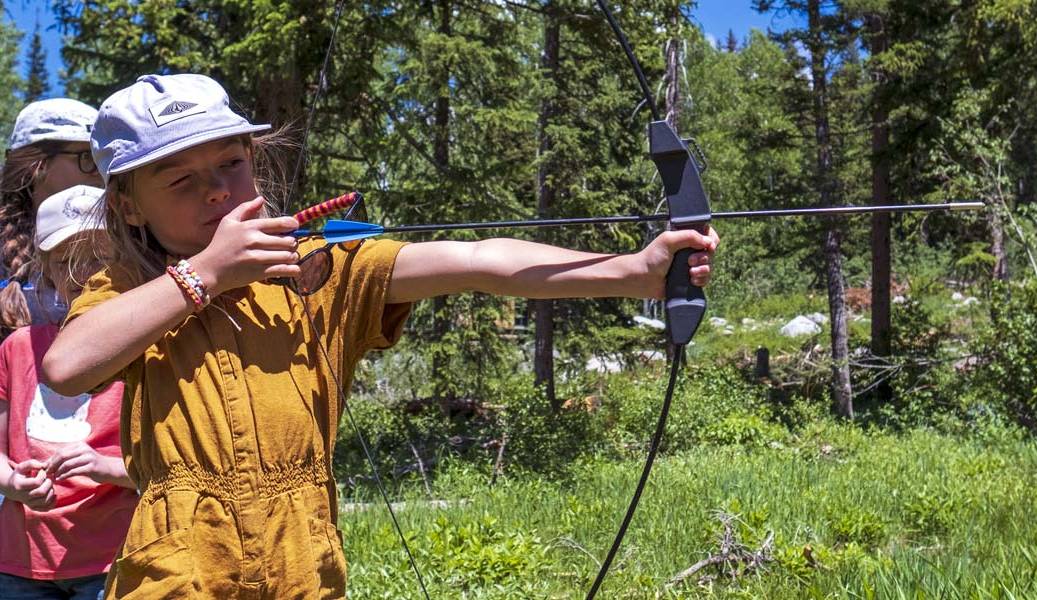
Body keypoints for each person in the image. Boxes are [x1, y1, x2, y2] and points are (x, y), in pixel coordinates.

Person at [42, 73, 719, 598]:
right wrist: (207, 274)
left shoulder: (322, 271)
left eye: (230, 164)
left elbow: (481, 262)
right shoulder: (132, 293)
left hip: (302, 563)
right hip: (180, 571)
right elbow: (68, 366)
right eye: (182, 180)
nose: (217, 192)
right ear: (129, 204)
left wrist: (632, 272)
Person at [0, 185, 138, 600]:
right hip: (20, 562)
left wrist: (104, 466)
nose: (85, 273)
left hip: (112, 560)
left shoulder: (148, 347)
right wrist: (10, 482)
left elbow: (170, 469)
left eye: (100, 257)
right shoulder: (19, 347)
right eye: (66, 261)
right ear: (46, 269)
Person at [1, 99, 103, 338]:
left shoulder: (128, 237)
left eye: (103, 158)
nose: (101, 172)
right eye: (87, 158)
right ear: (39, 166)